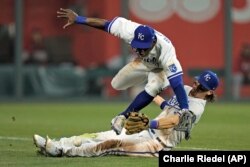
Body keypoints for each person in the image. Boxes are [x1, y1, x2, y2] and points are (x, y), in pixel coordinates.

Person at [56, 8, 189, 135]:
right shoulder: (130, 30)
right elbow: (105, 24)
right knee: (116, 84)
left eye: (144, 48)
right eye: (138, 46)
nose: (141, 50)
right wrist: (79, 19)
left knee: (153, 88)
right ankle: (146, 87)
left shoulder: (166, 50)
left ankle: (122, 117)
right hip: (143, 63)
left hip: (159, 67)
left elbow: (176, 83)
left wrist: (184, 109)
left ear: (153, 42)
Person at [33, 70, 219, 157]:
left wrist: (150, 124)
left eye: (201, 85)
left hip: (158, 145)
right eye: (197, 81)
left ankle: (61, 151)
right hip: (145, 132)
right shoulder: (185, 90)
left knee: (110, 144)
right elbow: (167, 107)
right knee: (98, 135)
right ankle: (56, 144)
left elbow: (172, 121)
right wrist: (151, 94)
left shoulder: (197, 108)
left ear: (210, 92)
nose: (196, 85)